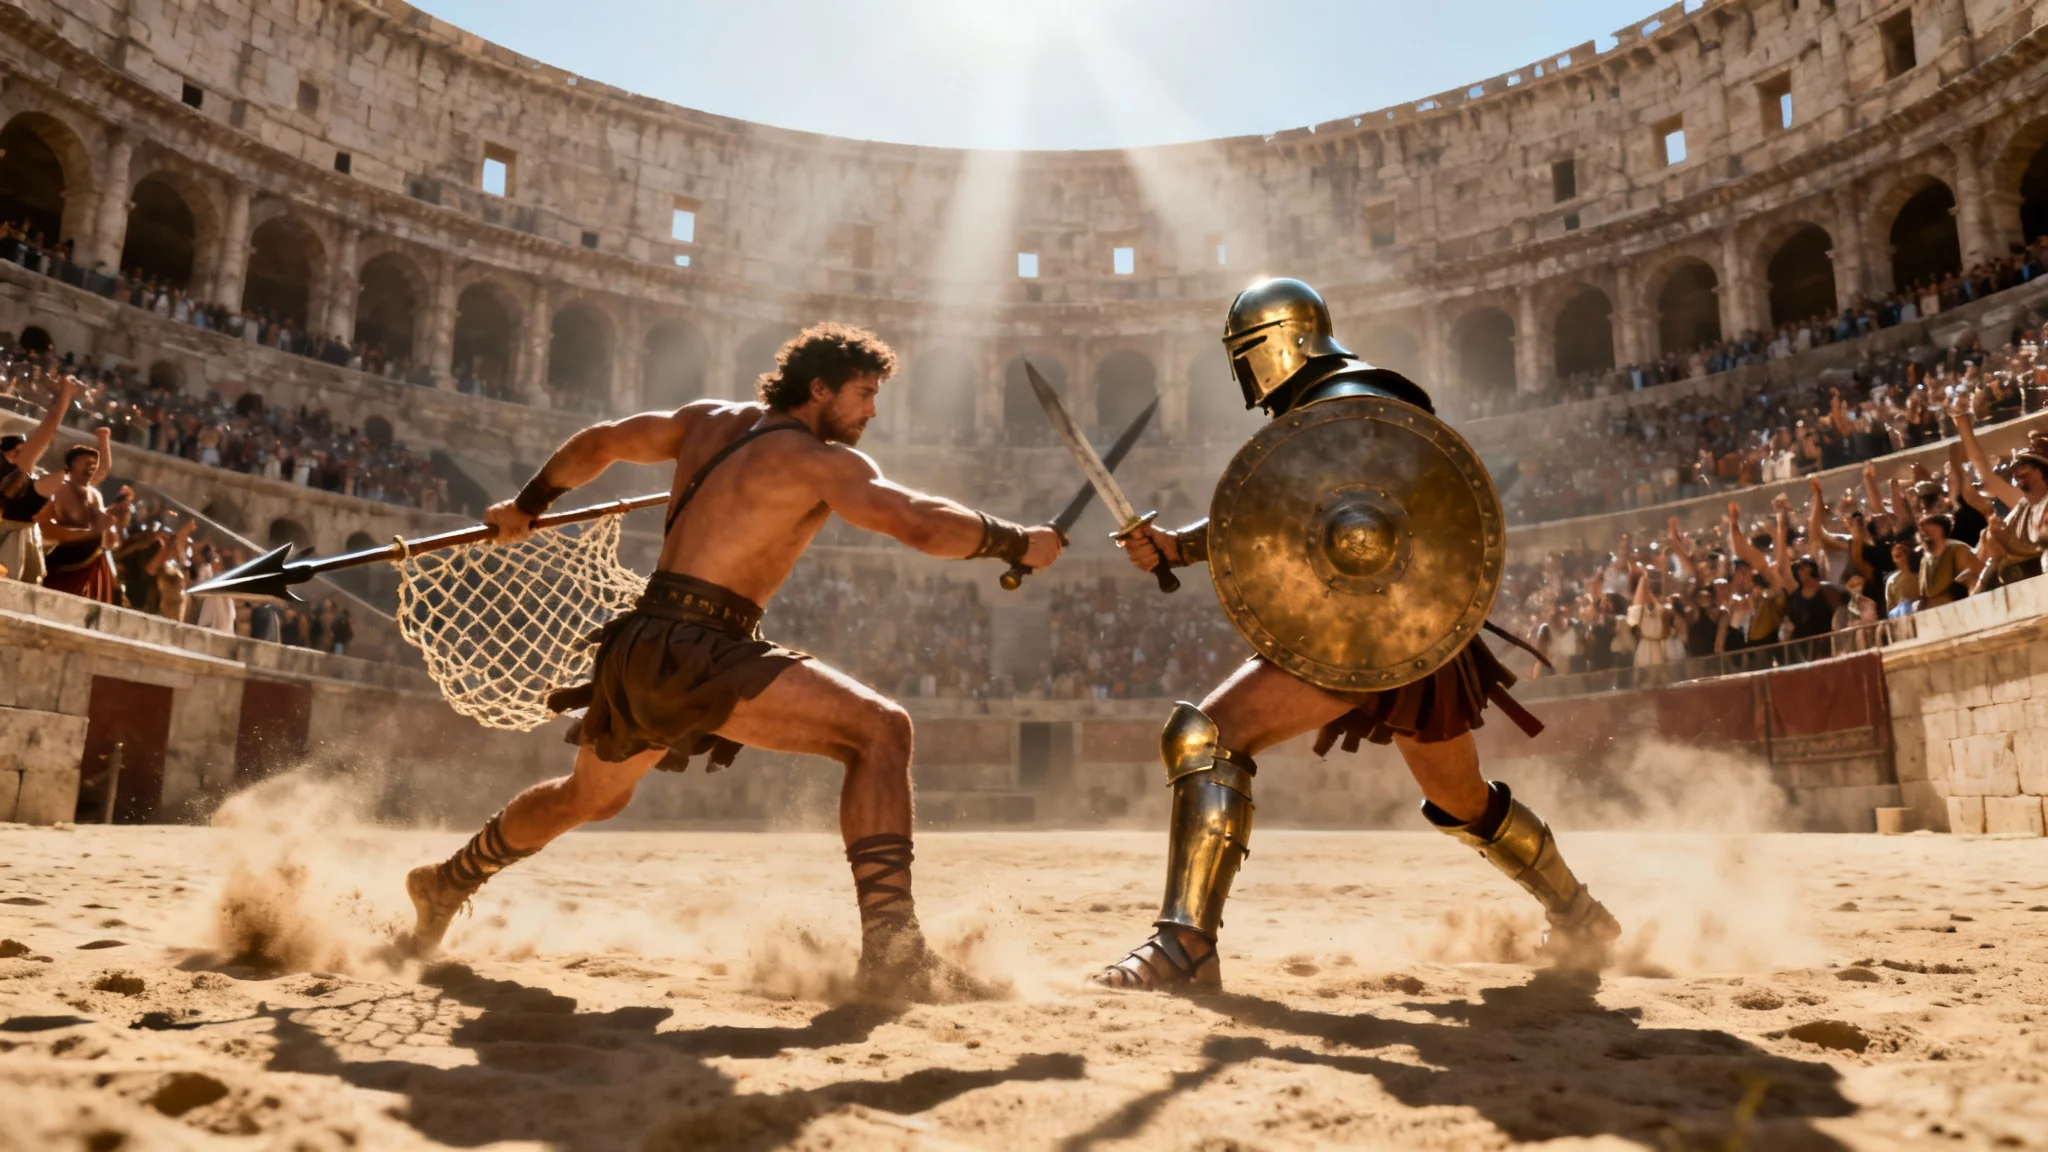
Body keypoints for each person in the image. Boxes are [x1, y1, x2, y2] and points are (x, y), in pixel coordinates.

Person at [401, 323, 1063, 999]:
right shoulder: (823, 462)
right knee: (881, 730)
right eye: (864, 394)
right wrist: (1016, 542)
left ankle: (446, 881)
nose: (872, 411)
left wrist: (528, 504)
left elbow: (600, 442)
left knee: (588, 797)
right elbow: (918, 521)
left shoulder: (706, 422)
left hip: (641, 642)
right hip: (703, 645)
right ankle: (895, 949)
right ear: (820, 389)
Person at [1092, 279, 1619, 991]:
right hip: (1416, 636)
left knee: (1205, 738)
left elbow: (1361, 512)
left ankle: (1184, 947)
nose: (1247, 374)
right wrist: (1177, 547)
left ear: (1281, 342)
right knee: (1462, 799)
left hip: (1367, 630)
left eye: (1247, 355)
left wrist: (1184, 548)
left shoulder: (1343, 404)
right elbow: (1273, 513)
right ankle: (1581, 915)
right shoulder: (1352, 399)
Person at [0, 371, 75, 582]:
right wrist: (65, 394)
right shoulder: (18, 469)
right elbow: (48, 428)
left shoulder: (21, 472)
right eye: (16, 450)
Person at [38, 441, 129, 602]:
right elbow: (43, 527)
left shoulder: (95, 495)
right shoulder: (58, 489)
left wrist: (112, 524)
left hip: (91, 563)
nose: (92, 466)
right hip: (61, 562)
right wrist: (81, 535)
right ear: (73, 463)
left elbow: (106, 535)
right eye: (86, 461)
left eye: (94, 462)